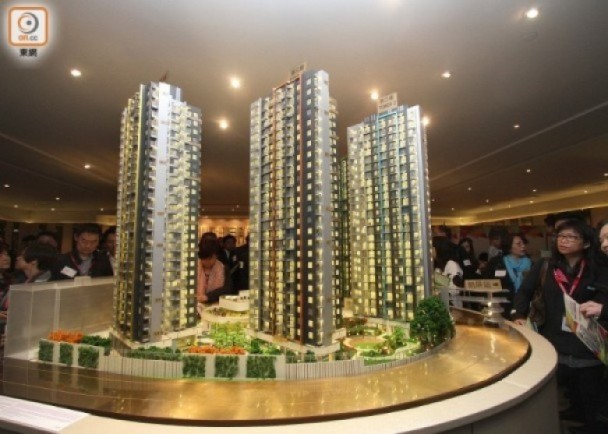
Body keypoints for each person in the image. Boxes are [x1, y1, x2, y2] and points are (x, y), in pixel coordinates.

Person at [513, 219, 608, 433]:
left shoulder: (598, 268)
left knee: (590, 408)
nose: (564, 241)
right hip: (553, 345)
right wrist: (519, 315)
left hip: (588, 350)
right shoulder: (546, 265)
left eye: (571, 237)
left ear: (585, 243)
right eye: (561, 236)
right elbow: (524, 292)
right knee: (557, 406)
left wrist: (601, 308)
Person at [483, 233, 532, 319]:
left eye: (523, 243)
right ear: (509, 246)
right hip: (503, 307)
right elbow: (487, 283)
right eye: (518, 244)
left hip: (525, 307)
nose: (523, 246)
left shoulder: (529, 263)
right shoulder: (497, 263)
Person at [197, 241, 234, 306]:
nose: (207, 262)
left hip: (216, 305)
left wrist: (208, 297)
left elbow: (227, 288)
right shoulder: (194, 267)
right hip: (195, 304)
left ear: (216, 256)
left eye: (210, 258)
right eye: (205, 259)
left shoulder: (222, 268)